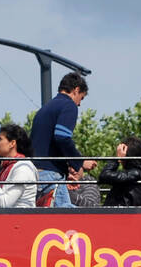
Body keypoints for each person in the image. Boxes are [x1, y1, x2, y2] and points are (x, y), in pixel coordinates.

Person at [30, 72, 98, 208]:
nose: (79, 104)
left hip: (35, 173)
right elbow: (62, 137)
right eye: (81, 98)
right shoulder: (69, 106)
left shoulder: (45, 109)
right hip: (51, 174)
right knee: (67, 217)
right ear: (76, 90)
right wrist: (80, 162)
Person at [98, 136, 141, 207]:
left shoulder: (137, 173)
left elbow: (104, 175)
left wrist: (117, 159)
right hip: (125, 213)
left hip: (124, 215)